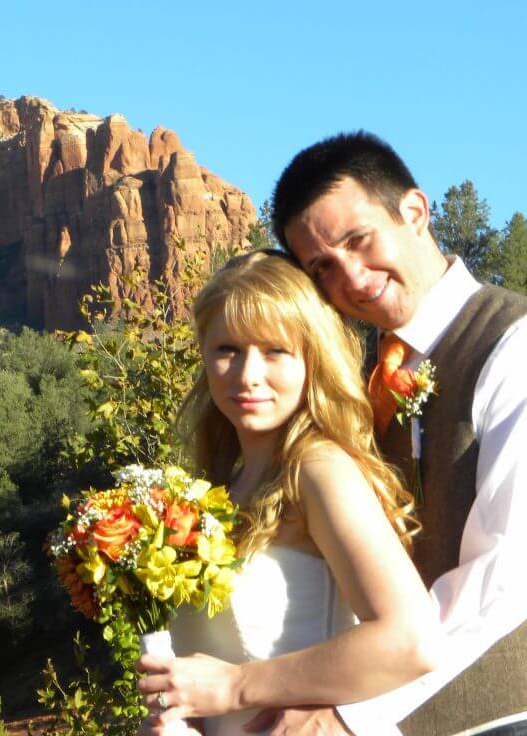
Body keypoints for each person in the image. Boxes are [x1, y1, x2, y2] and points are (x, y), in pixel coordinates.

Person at [253, 131, 527, 736]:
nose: (350, 276)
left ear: (415, 212)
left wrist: (353, 708)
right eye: (322, 266)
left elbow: (508, 573)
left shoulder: (512, 344)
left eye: (358, 240)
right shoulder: (353, 381)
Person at [137, 250, 440, 736]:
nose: (247, 374)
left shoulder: (318, 470)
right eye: (227, 350)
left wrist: (234, 687)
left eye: (274, 350)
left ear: (311, 357)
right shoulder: (217, 491)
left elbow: (413, 640)